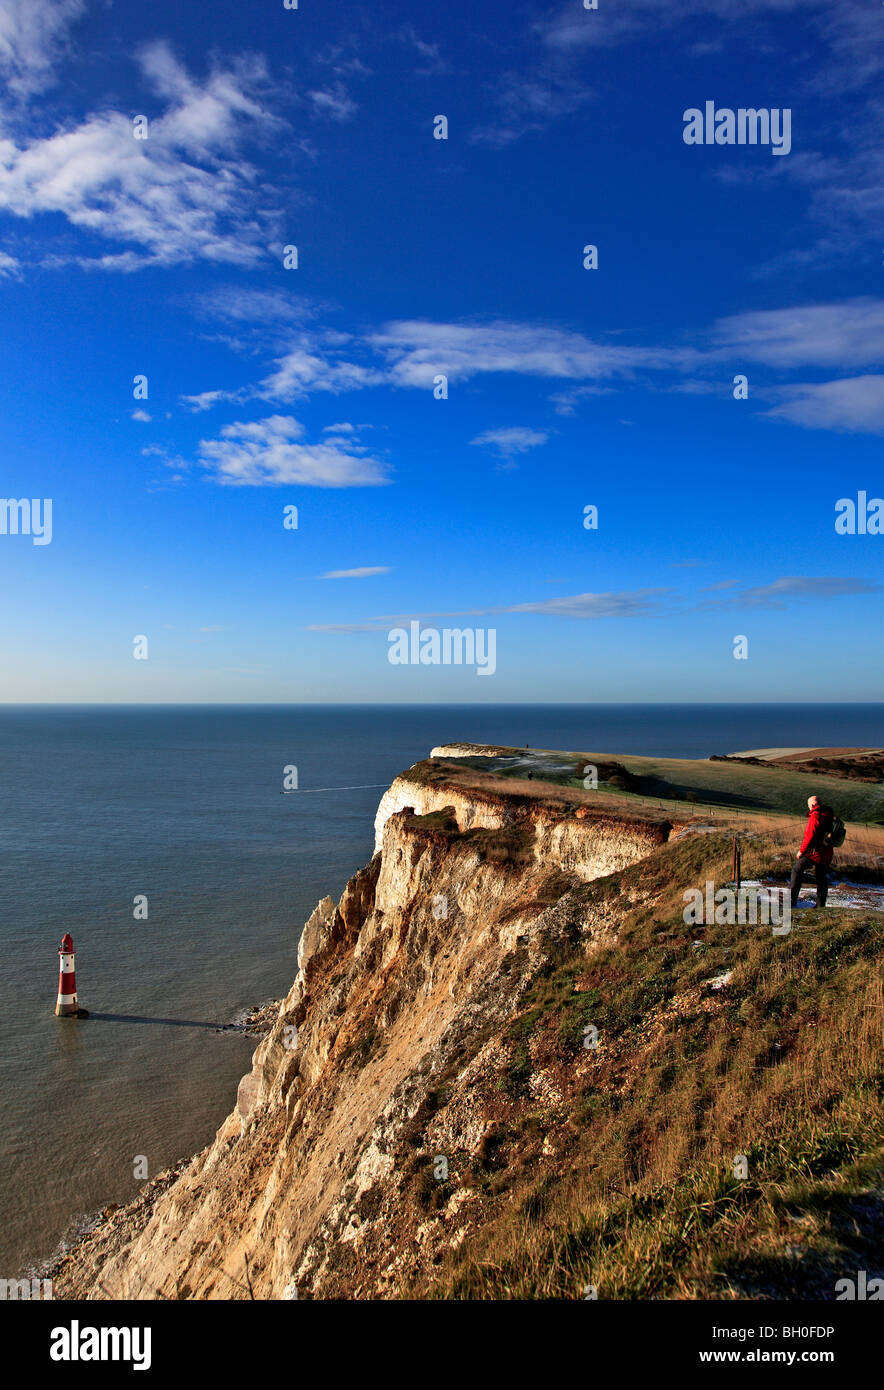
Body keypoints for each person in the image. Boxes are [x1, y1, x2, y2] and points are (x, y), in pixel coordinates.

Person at [789, 795, 835, 909]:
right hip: (827, 852)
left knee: (797, 869)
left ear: (813, 805)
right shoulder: (829, 815)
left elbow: (809, 837)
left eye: (809, 805)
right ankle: (820, 905)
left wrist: (801, 851)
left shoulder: (815, 816)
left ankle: (791, 900)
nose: (809, 808)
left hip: (815, 852)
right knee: (821, 877)